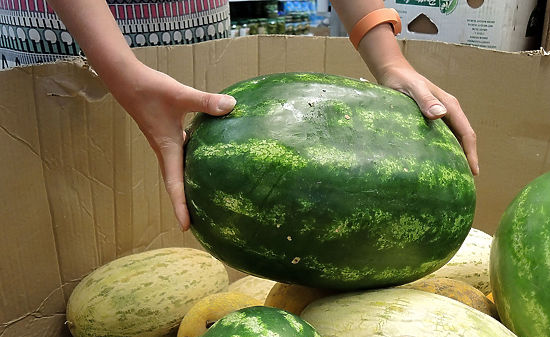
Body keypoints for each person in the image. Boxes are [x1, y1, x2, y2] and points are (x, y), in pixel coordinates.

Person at [2, 0, 478, 231]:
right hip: (64, 38)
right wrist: (120, 69)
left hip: (191, 23)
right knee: (65, 224)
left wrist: (386, 54)